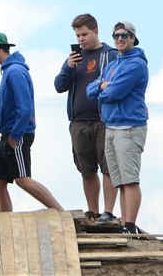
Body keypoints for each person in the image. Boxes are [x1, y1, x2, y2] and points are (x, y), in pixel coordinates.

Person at [0, 32, 63, 213]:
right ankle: (6, 220)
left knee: (22, 179)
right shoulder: (8, 71)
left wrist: (15, 136)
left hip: (17, 133)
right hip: (7, 134)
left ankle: (60, 212)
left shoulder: (15, 72)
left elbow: (25, 108)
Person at [54, 13, 119, 225]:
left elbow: (117, 82)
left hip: (104, 120)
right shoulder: (75, 57)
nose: (81, 39)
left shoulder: (109, 55)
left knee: (108, 167)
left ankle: (108, 213)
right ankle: (93, 211)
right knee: (86, 169)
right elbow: (58, 86)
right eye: (78, 35)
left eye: (84, 34)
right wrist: (67, 66)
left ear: (95, 30)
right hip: (78, 122)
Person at [86, 21, 149, 236]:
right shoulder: (114, 63)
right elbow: (90, 88)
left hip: (129, 127)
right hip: (111, 126)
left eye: (124, 35)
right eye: (116, 36)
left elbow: (114, 93)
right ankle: (125, 223)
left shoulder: (136, 64)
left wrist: (104, 87)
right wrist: (103, 86)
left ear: (133, 38)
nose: (119, 39)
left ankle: (130, 225)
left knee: (130, 179)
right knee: (119, 180)